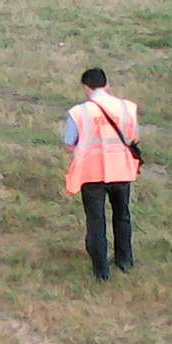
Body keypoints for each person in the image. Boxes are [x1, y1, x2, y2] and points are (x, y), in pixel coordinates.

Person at [63, 68, 141, 281]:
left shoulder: (78, 112)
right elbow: (134, 137)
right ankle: (124, 260)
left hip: (91, 173)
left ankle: (101, 270)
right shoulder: (127, 107)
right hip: (122, 170)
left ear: (86, 87)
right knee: (122, 216)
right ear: (107, 84)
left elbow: (69, 143)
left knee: (96, 221)